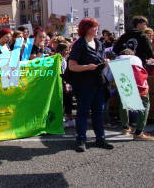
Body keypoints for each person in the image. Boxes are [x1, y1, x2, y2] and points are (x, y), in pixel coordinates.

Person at [68, 18, 113, 152]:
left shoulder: (99, 43)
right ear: (86, 28)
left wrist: (105, 61)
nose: (97, 29)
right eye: (94, 27)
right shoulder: (79, 44)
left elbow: (101, 59)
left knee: (98, 112)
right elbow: (72, 66)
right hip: (84, 84)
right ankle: (81, 139)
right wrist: (87, 67)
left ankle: (100, 139)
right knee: (82, 112)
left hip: (98, 82)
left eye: (97, 26)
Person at [115, 49, 154, 140]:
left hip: (121, 70)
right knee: (144, 104)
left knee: (124, 102)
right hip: (137, 78)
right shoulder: (136, 58)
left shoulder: (117, 58)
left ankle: (125, 128)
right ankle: (139, 133)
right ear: (132, 54)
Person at [57, 42, 74, 128]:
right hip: (62, 84)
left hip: (65, 83)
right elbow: (62, 73)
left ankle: (69, 118)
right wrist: (66, 84)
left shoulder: (63, 59)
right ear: (61, 51)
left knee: (67, 101)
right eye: (67, 50)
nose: (68, 51)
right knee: (65, 101)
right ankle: (64, 119)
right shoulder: (60, 60)